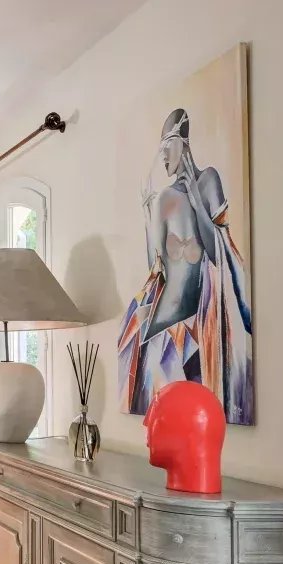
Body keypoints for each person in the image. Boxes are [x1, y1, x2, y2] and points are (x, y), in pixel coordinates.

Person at [116, 108, 254, 423]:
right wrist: (147, 219)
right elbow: (157, 269)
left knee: (194, 405)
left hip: (199, 316)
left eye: (168, 145)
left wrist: (194, 197)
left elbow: (217, 250)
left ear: (183, 141)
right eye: (160, 149)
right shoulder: (164, 198)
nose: (163, 156)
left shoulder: (208, 180)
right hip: (168, 318)